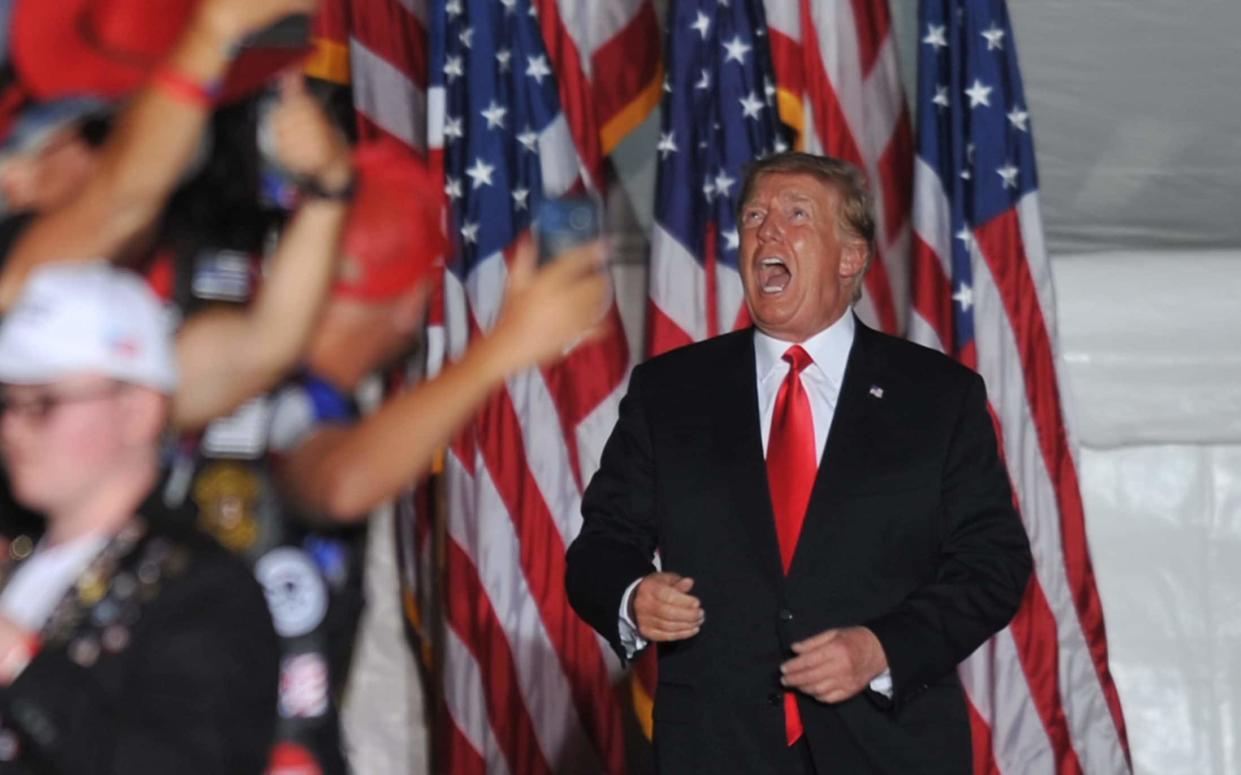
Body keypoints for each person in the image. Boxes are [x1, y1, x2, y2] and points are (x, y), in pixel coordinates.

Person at [565, 152, 1033, 774]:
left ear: (849, 256)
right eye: (754, 215)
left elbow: (994, 565)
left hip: (888, 751)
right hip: (716, 752)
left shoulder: (938, 396)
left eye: (796, 214)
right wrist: (630, 595)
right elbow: (601, 545)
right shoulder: (670, 393)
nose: (766, 231)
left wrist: (880, 649)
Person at [0, 262, 280, 774]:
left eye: (41, 403)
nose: (14, 427)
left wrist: (22, 666)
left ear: (137, 412)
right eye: (7, 403)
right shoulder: (17, 557)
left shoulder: (205, 592)